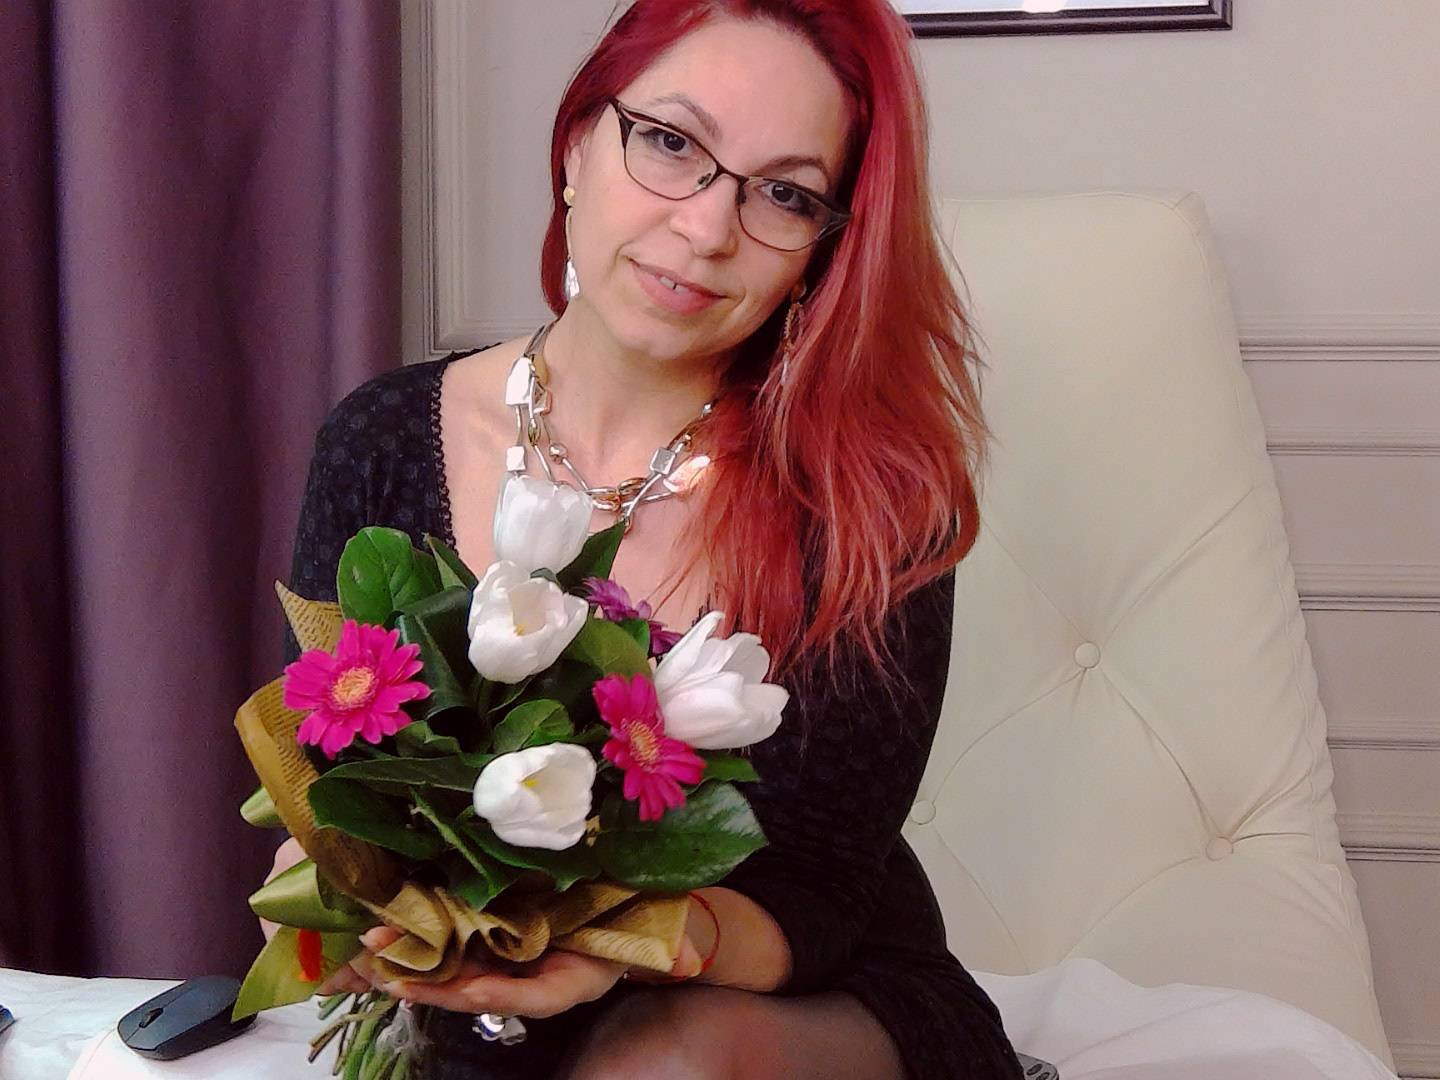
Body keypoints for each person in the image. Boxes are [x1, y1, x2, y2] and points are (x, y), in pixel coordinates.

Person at [264, 0, 1024, 1075]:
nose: (708, 229)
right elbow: (327, 772)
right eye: (670, 142)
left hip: (784, 1009)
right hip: (476, 1014)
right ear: (578, 144)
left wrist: (617, 942)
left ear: (823, 249)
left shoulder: (874, 503)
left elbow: (822, 890)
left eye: (785, 194)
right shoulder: (381, 438)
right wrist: (335, 893)